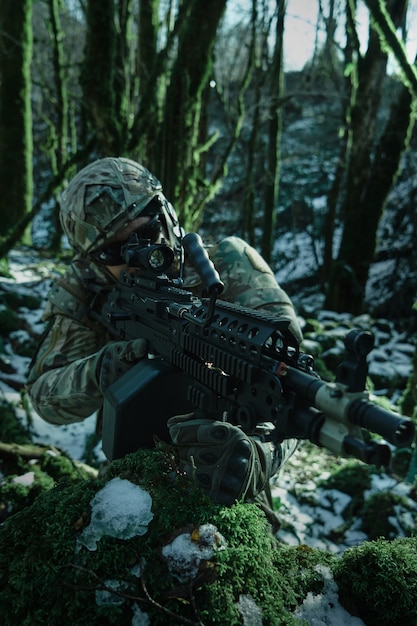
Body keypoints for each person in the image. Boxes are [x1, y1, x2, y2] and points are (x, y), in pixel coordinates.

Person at [26, 156, 303, 518]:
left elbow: (296, 387)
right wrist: (99, 371)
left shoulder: (228, 267)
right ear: (92, 260)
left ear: (168, 217)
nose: (139, 254)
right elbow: (44, 395)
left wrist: (257, 459)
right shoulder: (89, 291)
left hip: (225, 476)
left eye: (147, 232)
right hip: (130, 478)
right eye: (114, 250)